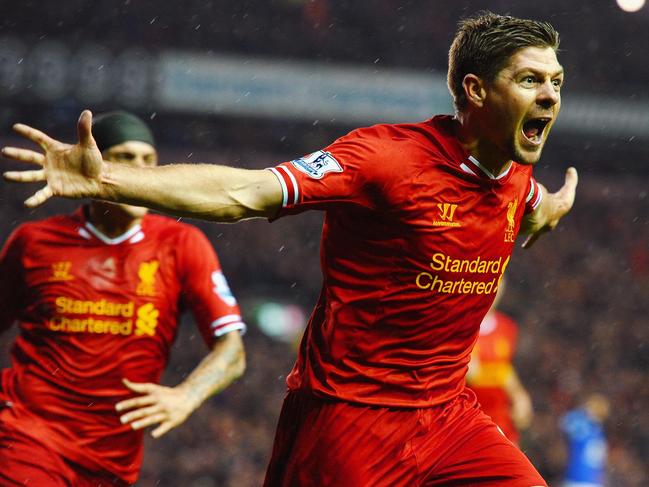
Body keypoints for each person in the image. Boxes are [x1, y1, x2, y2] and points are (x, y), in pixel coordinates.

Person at [3, 12, 578, 487]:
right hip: (349, 419)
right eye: (531, 80)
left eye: (555, 80)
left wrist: (552, 210)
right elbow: (245, 192)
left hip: (451, 418)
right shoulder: (386, 159)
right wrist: (106, 180)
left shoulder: (515, 181)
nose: (550, 95)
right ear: (476, 91)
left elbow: (535, 207)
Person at [0, 111, 246, 486]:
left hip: (114, 462)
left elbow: (232, 352)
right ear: (93, 163)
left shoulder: (181, 245)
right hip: (28, 436)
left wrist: (185, 396)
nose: (141, 171)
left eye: (149, 161)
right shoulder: (34, 243)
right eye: (126, 158)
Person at [466, 279, 533, 446]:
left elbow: (506, 369)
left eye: (500, 283)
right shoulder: (464, 324)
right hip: (468, 416)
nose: (495, 289)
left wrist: (519, 395)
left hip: (501, 419)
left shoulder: (507, 327)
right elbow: (471, 375)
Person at [561, 394, 610, 487]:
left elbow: (565, 422)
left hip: (577, 479)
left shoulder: (584, 425)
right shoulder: (598, 432)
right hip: (591, 480)